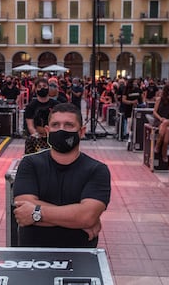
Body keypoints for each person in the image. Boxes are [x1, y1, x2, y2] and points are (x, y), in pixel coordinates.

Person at [13, 103, 111, 248]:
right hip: (32, 256)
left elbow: (87, 216)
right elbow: (22, 210)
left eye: (69, 125)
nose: (61, 130)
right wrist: (78, 219)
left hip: (81, 259)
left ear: (81, 131)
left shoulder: (97, 170)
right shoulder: (29, 164)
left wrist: (36, 214)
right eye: (55, 125)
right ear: (47, 130)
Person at [153, 83, 169, 162]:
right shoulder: (159, 99)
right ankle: (164, 154)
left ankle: (157, 145)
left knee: (166, 123)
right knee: (167, 131)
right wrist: (160, 118)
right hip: (159, 120)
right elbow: (154, 112)